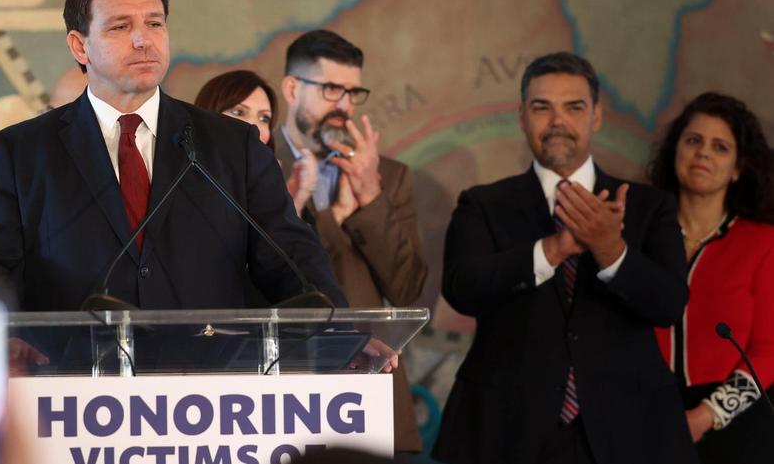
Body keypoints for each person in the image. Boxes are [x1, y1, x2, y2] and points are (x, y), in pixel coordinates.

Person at [0, 0, 348, 313]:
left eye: (154, 24)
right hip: (71, 367)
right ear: (80, 46)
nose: (143, 40)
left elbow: (291, 259)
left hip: (207, 365)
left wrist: (342, 332)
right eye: (120, 27)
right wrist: (5, 341)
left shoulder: (233, 145)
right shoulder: (19, 153)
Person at [434, 52, 696, 464]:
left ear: (596, 117)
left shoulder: (649, 206)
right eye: (542, 108)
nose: (558, 121)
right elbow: (462, 289)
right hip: (507, 430)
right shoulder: (483, 204)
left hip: (628, 431)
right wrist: (552, 250)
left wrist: (610, 250)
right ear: (522, 117)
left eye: (574, 107)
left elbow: (669, 304)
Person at [273, 30, 428, 453]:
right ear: (292, 89)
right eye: (331, 90)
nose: (344, 106)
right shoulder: (255, 166)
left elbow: (408, 289)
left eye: (352, 93)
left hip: (370, 394)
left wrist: (371, 198)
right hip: (280, 395)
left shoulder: (388, 176)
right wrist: (333, 218)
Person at [648, 92, 774, 463]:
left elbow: (770, 350)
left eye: (720, 147)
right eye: (693, 141)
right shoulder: (639, 236)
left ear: (737, 168)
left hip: (736, 428)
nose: (703, 153)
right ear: (675, 152)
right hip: (645, 417)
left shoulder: (763, 243)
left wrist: (706, 416)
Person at [195, 69, 318, 217]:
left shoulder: (271, 189)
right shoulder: (183, 185)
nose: (255, 128)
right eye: (238, 112)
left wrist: (292, 203)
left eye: (264, 118)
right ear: (207, 116)